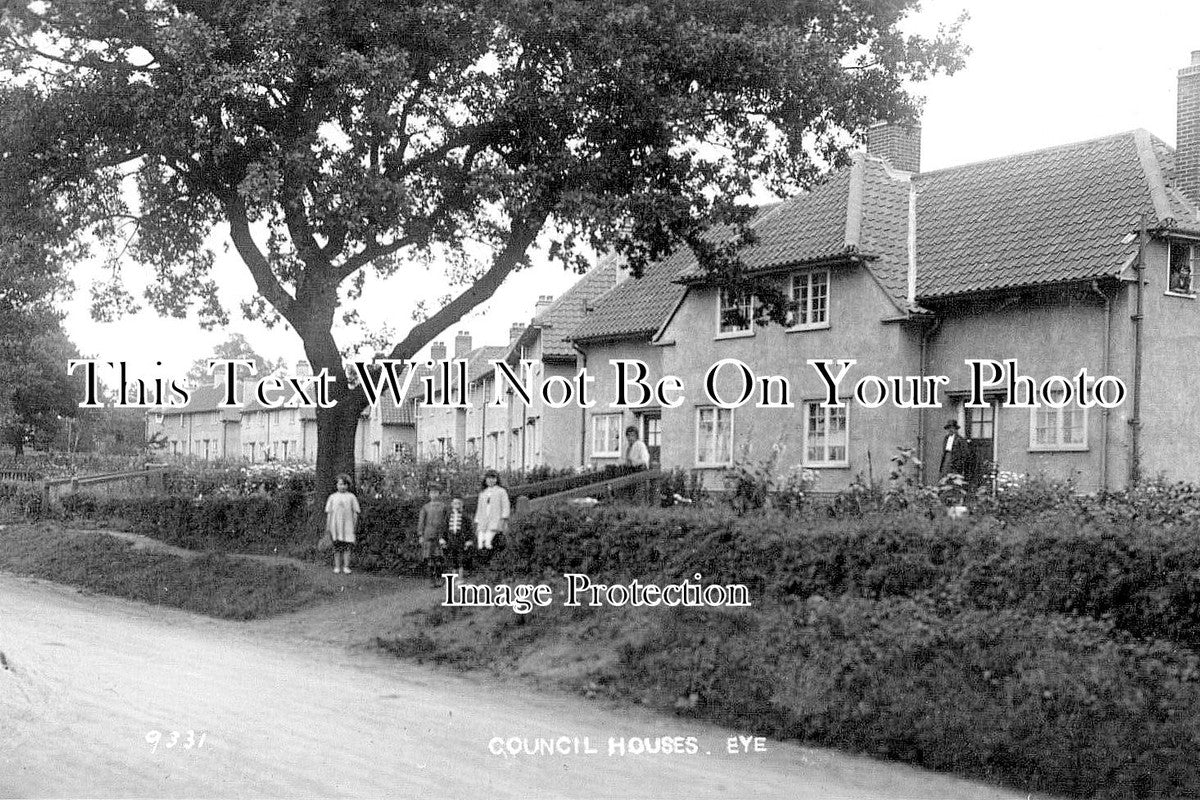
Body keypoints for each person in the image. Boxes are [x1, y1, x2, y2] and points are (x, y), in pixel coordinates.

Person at [325, 473, 361, 574]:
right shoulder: (332, 497)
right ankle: (337, 566)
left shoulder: (351, 497)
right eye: (340, 484)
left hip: (347, 526)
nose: (342, 486)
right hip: (335, 526)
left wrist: (354, 524)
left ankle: (346, 566)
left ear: (348, 485)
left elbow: (355, 512)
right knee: (336, 548)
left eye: (345, 484)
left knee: (347, 547)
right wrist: (328, 527)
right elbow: (329, 513)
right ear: (336, 485)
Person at [417, 484, 449, 587]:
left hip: (439, 535)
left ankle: (440, 579)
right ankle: (432, 580)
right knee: (430, 558)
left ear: (439, 494)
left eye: (436, 492)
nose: (433, 494)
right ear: (429, 494)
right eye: (431, 492)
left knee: (439, 558)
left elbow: (446, 520)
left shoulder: (443, 506)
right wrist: (421, 535)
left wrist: (445, 535)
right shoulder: (425, 507)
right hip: (428, 535)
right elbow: (421, 522)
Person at [474, 469, 510, 551]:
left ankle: (487, 544)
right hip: (483, 519)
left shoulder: (501, 491)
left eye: (493, 478)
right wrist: (477, 520)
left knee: (489, 537)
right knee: (480, 539)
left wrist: (504, 517)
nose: (491, 480)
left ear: (497, 479)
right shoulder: (482, 493)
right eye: (489, 478)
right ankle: (481, 547)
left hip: (495, 518)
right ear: (485, 480)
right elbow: (479, 508)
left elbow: (505, 505)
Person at [445, 496, 469, 578]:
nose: (457, 505)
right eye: (455, 503)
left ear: (461, 504)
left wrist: (468, 540)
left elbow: (469, 529)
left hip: (461, 540)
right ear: (452, 504)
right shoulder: (448, 515)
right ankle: (453, 578)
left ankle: (460, 578)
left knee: (461, 559)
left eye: (458, 503)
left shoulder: (464, 515)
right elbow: (444, 527)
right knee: (452, 559)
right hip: (451, 540)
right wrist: (443, 539)